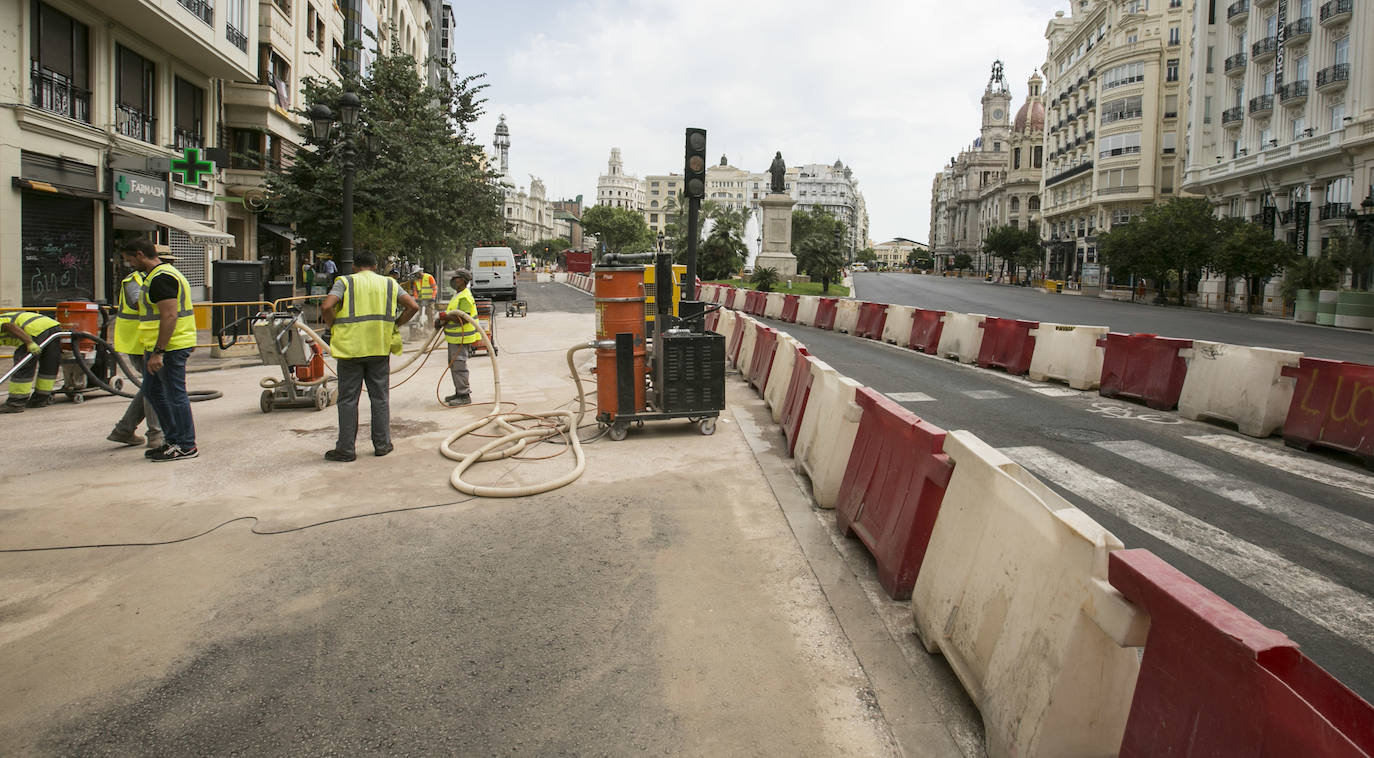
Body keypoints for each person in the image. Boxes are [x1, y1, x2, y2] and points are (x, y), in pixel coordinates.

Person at [320, 250, 418, 461]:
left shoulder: (345, 282)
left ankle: (346, 450)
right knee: (380, 398)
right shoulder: (390, 284)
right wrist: (396, 324)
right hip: (379, 348)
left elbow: (327, 306)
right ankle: (382, 445)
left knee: (347, 400)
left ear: (355, 266)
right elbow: (413, 306)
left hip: (350, 350)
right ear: (375, 267)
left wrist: (333, 325)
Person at [120, 237, 199, 462]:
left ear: (140, 254)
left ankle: (185, 444)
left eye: (129, 260)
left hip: (169, 347)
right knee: (153, 390)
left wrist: (159, 352)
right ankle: (173, 440)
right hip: (161, 344)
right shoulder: (158, 276)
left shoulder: (161, 278)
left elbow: (170, 315)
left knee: (175, 394)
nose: (129, 265)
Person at [106, 250, 165, 448]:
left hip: (151, 341)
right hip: (139, 342)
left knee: (151, 385)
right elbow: (140, 303)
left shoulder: (154, 278)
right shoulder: (134, 280)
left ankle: (124, 429)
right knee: (155, 386)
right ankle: (155, 435)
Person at [0, 310, 63, 413]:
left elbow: (9, 326)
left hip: (34, 329)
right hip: (52, 326)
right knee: (49, 364)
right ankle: (40, 399)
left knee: (23, 364)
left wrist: (29, 343)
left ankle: (15, 403)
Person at [436, 269, 480, 406]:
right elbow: (454, 314)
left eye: (455, 278)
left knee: (459, 365)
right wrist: (443, 319)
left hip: (461, 338)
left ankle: (464, 395)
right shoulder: (458, 295)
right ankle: (459, 391)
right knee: (454, 365)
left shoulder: (465, 296)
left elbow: (464, 318)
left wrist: (446, 317)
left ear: (462, 280)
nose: (453, 280)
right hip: (454, 338)